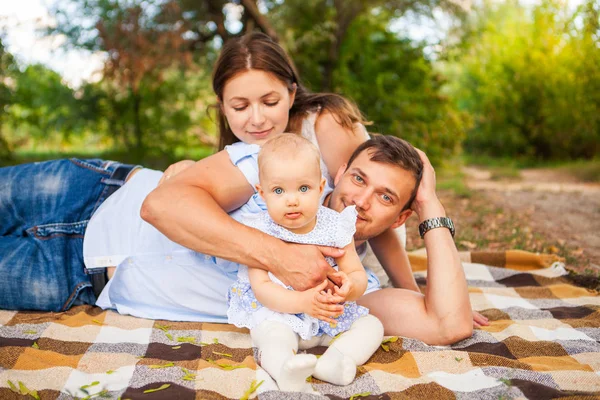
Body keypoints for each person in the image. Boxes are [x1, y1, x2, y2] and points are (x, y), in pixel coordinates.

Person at [227, 134, 384, 392]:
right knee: (272, 339)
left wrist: (349, 287)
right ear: (262, 193)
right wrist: (302, 303)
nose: (292, 200)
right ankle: (285, 371)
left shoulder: (335, 226)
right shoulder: (259, 233)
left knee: (371, 326)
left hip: (327, 316)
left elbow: (356, 273)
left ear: (321, 187)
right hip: (279, 314)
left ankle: (334, 362)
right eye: (279, 190)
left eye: (303, 188)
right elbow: (262, 288)